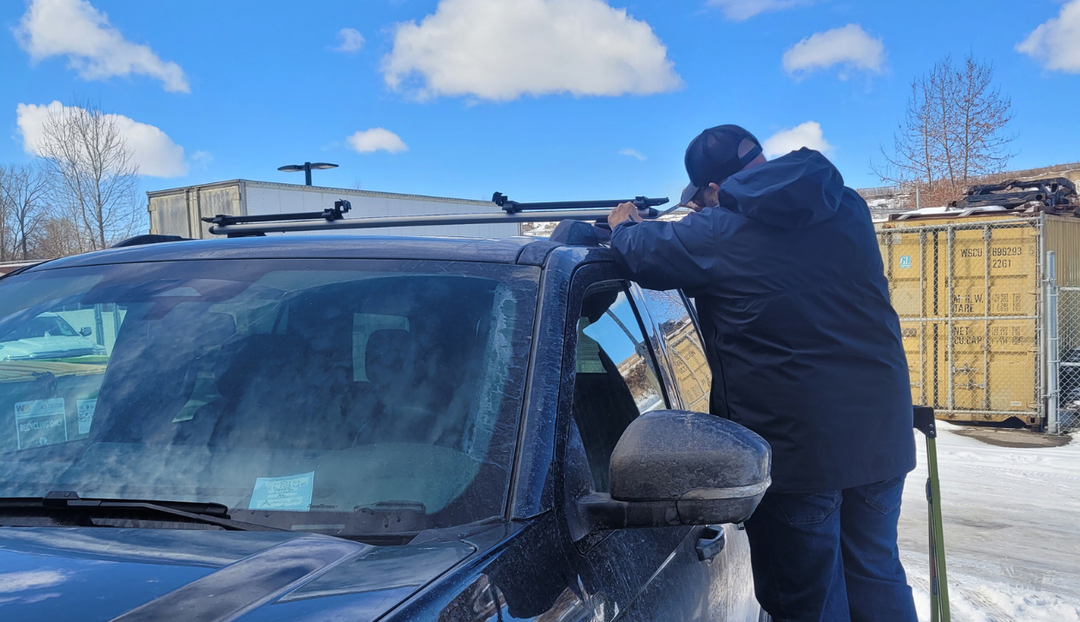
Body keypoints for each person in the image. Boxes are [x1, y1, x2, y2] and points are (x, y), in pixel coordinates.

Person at [606, 125, 918, 622]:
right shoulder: (848, 207)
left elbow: (643, 251)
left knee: (809, 604)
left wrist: (623, 224)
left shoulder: (719, 234)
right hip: (880, 440)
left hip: (799, 456)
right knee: (876, 577)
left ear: (713, 188)